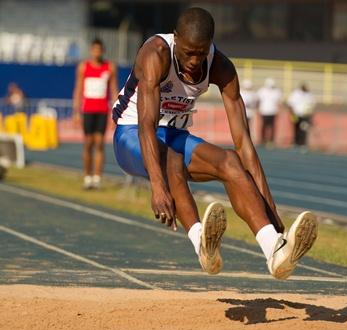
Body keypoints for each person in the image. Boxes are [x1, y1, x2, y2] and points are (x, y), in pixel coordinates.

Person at [112, 8, 318, 280]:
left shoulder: (221, 66)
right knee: (171, 157)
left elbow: (244, 143)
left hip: (174, 137)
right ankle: (201, 242)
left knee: (231, 161)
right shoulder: (156, 53)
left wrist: (269, 206)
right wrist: (158, 186)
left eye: (201, 52)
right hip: (132, 134)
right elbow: (147, 126)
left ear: (210, 45)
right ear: (176, 39)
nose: (194, 61)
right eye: (187, 52)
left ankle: (274, 250)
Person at [73, 38, 119, 190]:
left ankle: (97, 178)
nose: (97, 52)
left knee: (99, 143)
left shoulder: (109, 67)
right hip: (88, 110)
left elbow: (113, 90)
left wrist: (116, 112)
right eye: (94, 50)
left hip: (102, 110)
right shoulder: (83, 67)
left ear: (102, 51)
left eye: (99, 50)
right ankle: (87, 177)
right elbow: (78, 90)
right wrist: (76, 112)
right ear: (91, 50)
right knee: (88, 143)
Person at [287, 83, 316, 148]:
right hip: (296, 114)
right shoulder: (295, 94)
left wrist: (311, 115)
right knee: (296, 128)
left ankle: (302, 143)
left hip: (305, 115)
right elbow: (290, 103)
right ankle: (295, 142)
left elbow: (312, 105)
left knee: (303, 129)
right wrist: (292, 113)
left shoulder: (309, 95)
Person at [257, 78, 282, 147]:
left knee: (272, 126)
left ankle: (271, 140)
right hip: (264, 111)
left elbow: (278, 102)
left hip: (273, 111)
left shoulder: (277, 91)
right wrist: (258, 109)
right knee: (264, 126)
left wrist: (279, 110)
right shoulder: (262, 91)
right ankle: (263, 140)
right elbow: (258, 101)